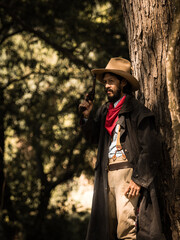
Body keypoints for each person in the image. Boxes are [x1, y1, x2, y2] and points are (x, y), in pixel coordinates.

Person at [79, 57, 163, 240]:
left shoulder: (137, 111)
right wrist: (86, 118)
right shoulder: (104, 111)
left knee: (126, 231)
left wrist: (138, 179)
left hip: (127, 176)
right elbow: (94, 138)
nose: (107, 86)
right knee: (106, 232)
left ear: (123, 82)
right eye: (105, 82)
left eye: (111, 82)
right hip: (106, 176)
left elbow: (151, 148)